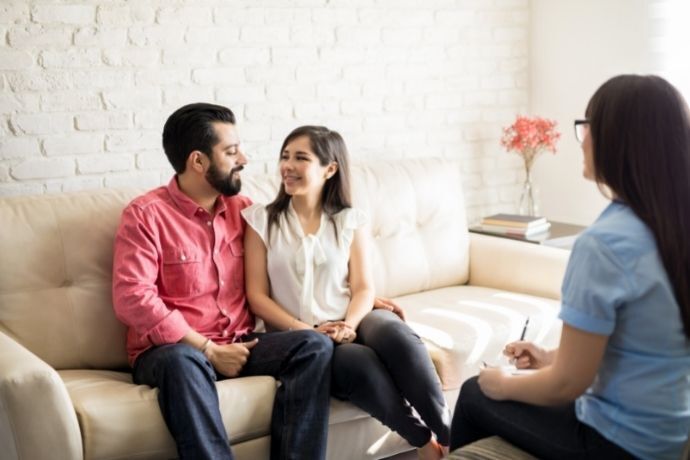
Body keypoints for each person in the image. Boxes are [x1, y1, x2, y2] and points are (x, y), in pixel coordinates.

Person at [450, 75, 690, 460]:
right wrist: (548, 358)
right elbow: (639, 349)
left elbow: (566, 386)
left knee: (475, 392)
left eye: (588, 126)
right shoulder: (672, 225)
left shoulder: (605, 243)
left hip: (616, 444)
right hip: (669, 432)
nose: (584, 138)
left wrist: (502, 383)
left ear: (618, 141)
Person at [112, 103, 334, 460]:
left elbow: (295, 258)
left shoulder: (243, 209)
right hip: (175, 351)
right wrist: (208, 350)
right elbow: (132, 297)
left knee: (313, 346)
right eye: (231, 152)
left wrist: (361, 295)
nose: (243, 158)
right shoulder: (145, 216)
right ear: (198, 161)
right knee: (181, 362)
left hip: (241, 343)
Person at [242, 126, 451, 460]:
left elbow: (364, 287)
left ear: (330, 169)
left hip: (352, 317)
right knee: (360, 363)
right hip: (303, 339)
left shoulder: (350, 220)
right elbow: (257, 297)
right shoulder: (260, 220)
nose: (288, 166)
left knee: (396, 335)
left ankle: (454, 438)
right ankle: (425, 443)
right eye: (284, 157)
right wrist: (309, 332)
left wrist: (350, 324)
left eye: (300, 158)